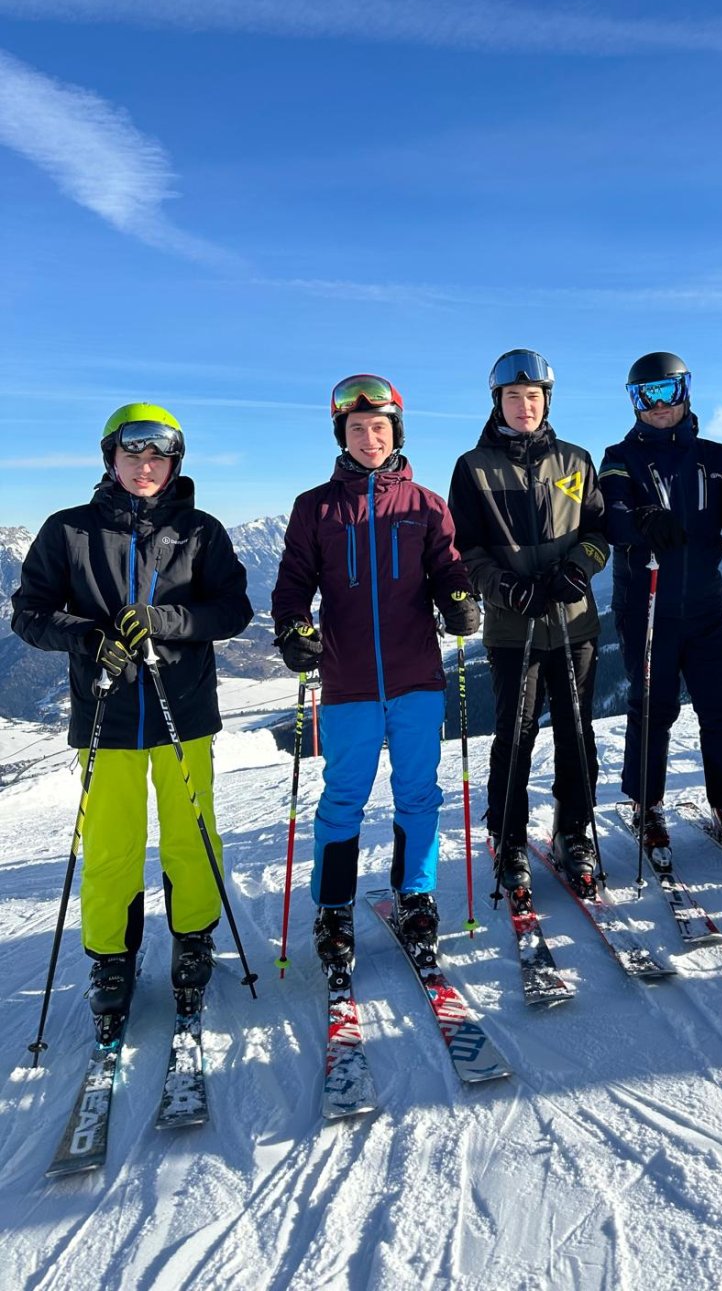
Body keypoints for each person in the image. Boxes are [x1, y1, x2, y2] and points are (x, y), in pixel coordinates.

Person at [11, 404, 253, 1016]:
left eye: (157, 457)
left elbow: (233, 610)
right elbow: (29, 614)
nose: (145, 467)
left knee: (191, 833)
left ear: (174, 464)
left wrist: (164, 621)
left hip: (184, 708)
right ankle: (111, 955)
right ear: (110, 459)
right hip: (105, 712)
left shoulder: (200, 531)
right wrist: (89, 636)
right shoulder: (69, 531)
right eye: (132, 455)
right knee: (111, 843)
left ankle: (193, 936)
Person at [272, 375, 479, 967]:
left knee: (418, 793)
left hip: (417, 676)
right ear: (342, 434)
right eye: (357, 428)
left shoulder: (425, 505)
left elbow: (449, 568)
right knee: (343, 798)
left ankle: (415, 897)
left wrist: (460, 598)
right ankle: (333, 907)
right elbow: (293, 583)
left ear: (396, 433)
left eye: (379, 427)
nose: (369, 438)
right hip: (348, 680)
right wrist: (292, 627)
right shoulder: (315, 508)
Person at [448, 350, 608, 895]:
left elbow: (599, 532)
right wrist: (505, 588)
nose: (524, 406)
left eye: (533, 396)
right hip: (513, 628)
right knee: (515, 737)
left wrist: (579, 568)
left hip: (573, 623)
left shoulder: (575, 460)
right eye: (513, 397)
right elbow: (465, 549)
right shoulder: (473, 467)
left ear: (547, 401)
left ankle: (573, 831)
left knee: (576, 731)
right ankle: (509, 836)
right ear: (498, 402)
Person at [598, 352, 722, 856]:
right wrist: (643, 518)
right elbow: (612, 514)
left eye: (667, 391)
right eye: (645, 395)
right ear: (634, 402)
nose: (658, 405)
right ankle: (646, 804)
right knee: (653, 708)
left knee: (721, 706)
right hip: (647, 604)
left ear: (685, 392)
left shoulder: (714, 457)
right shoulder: (619, 456)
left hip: (705, 603)